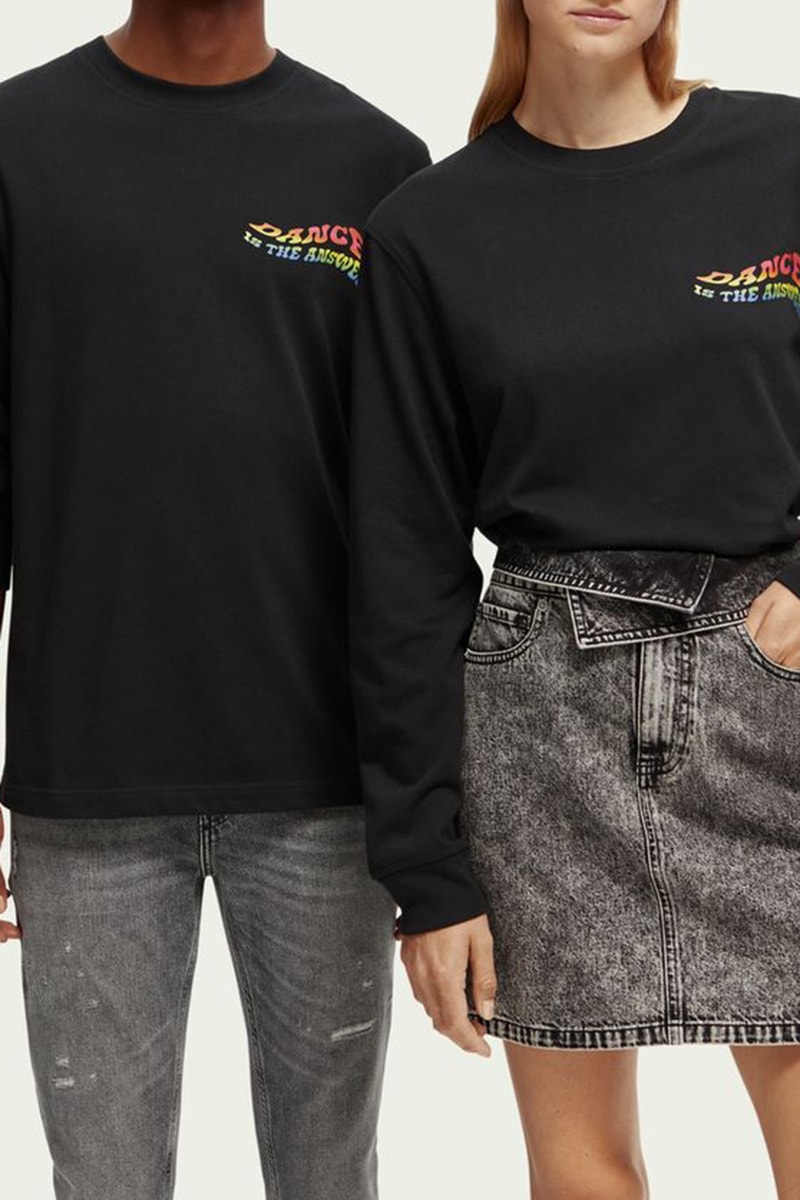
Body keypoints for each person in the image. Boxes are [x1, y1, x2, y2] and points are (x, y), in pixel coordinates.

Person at [348, 0, 800, 1196]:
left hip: (774, 701)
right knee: (581, 1169)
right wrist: (426, 871)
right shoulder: (428, 227)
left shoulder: (782, 155)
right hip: (544, 712)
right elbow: (403, 560)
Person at [0, 1, 430, 1196]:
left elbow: (413, 507)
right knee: (102, 1181)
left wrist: (430, 795)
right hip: (83, 777)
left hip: (325, 783)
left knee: (329, 1178)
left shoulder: (376, 160)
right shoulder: (18, 141)